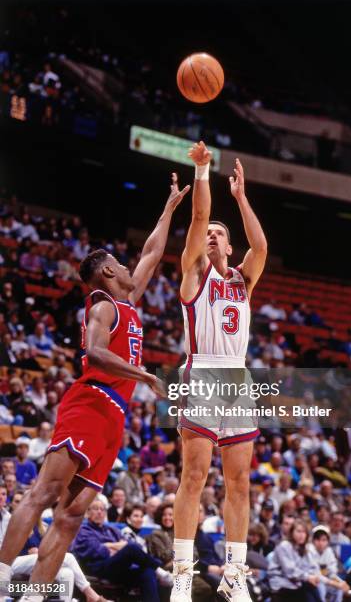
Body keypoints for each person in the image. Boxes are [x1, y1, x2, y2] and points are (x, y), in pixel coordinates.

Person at [0, 175, 190, 601]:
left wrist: (169, 209)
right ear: (107, 271)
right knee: (46, 491)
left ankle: (34, 595)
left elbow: (152, 253)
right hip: (91, 401)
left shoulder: (127, 302)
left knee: (70, 516)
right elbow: (95, 353)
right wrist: (144, 375)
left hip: (114, 416)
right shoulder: (104, 305)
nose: (129, 268)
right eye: (121, 265)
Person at [171, 141, 267, 601]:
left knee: (240, 482)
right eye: (207, 232)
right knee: (194, 475)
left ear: (231, 245)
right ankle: (184, 574)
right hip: (204, 372)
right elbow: (194, 220)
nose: (210, 235)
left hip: (238, 378)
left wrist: (242, 199)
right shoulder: (194, 273)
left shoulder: (243, 280)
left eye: (218, 233)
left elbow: (262, 245)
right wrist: (204, 172)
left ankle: (234, 574)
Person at [72, 499, 170, 602]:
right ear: (88, 513)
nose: (99, 512)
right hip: (97, 568)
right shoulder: (83, 530)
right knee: (130, 549)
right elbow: (97, 551)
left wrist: (109, 546)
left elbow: (135, 546)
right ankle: (160, 571)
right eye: (96, 509)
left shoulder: (111, 530)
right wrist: (118, 548)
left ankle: (156, 574)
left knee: (147, 572)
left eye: (102, 509)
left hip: (117, 568)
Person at [268, 519, 322, 601]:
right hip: (281, 584)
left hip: (295, 584)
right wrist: (308, 577)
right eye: (299, 531)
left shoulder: (302, 548)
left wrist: (313, 576)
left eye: (304, 532)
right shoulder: (284, 546)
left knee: (313, 588)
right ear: (292, 532)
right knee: (307, 590)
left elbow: (310, 568)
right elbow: (290, 572)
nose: (302, 535)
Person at [310, 525, 349, 602]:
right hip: (313, 583)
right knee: (321, 587)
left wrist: (341, 582)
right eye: (318, 539)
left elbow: (332, 573)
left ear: (328, 541)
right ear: (313, 540)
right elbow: (316, 575)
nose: (321, 543)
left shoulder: (329, 552)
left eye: (324, 540)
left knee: (339, 589)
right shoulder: (309, 550)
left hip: (326, 581)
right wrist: (335, 583)